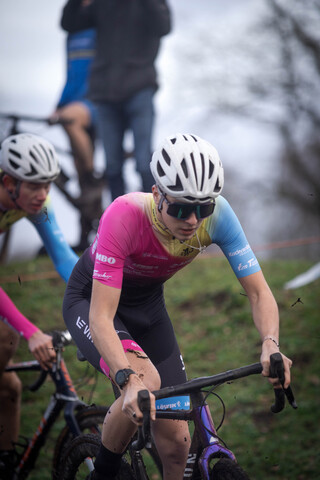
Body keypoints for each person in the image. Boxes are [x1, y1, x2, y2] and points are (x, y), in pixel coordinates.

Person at [62, 133, 293, 480]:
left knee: (178, 444)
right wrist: (127, 379)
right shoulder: (123, 215)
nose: (192, 220)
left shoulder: (218, 217)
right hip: (92, 302)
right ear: (157, 195)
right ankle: (104, 474)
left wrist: (271, 344)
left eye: (203, 208)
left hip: (148, 308)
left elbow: (259, 293)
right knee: (147, 380)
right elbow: (101, 315)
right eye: (181, 208)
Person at [0, 133, 79, 478]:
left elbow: (64, 260)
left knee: (8, 387)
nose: (43, 194)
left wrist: (103, 295)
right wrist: (31, 331)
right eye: (34, 186)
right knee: (9, 339)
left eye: (47, 185)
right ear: (8, 182)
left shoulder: (36, 204)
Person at [60, 0, 171, 201]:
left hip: (139, 90)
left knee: (144, 161)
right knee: (112, 166)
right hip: (105, 95)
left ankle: (153, 219)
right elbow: (70, 23)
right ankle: (120, 221)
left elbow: (164, 26)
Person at [52, 4, 102, 250]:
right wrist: (59, 104)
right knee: (80, 174)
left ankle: (91, 174)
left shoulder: (101, 29)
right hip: (74, 101)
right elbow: (71, 74)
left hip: (95, 101)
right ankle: (85, 237)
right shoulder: (72, 36)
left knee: (70, 119)